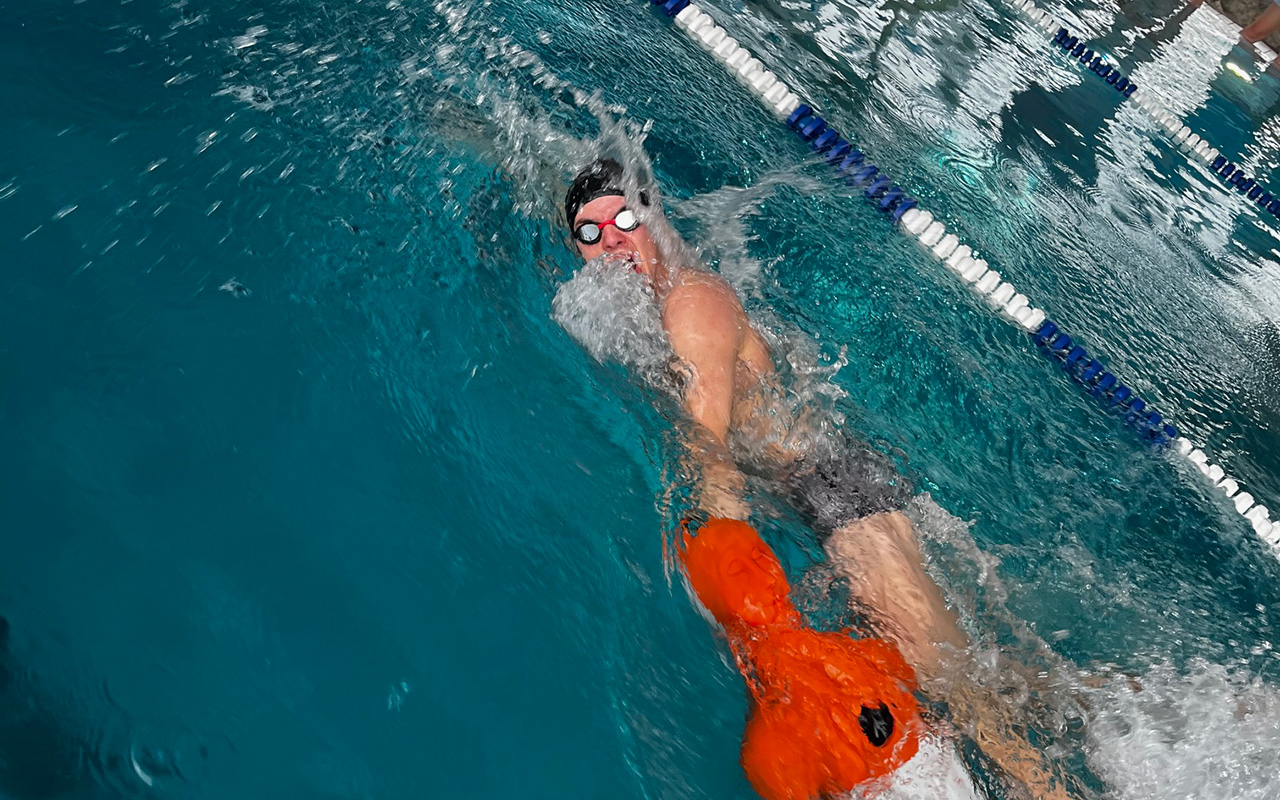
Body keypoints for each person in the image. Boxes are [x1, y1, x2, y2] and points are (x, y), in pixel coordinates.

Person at [563, 158, 1083, 799]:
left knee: (956, 689)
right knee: (975, 675)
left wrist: (727, 572)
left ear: (652, 219)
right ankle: (1110, 707)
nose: (612, 240)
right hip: (810, 494)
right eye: (591, 233)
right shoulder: (643, 303)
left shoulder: (691, 306)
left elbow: (709, 446)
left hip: (837, 491)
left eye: (623, 220)